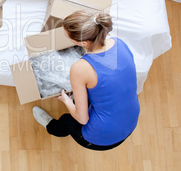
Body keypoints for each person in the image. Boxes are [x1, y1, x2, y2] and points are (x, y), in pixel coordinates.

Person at [32, 10, 140, 151]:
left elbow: (83, 120)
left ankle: (52, 127)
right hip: (130, 120)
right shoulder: (119, 43)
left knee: (68, 120)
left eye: (66, 35)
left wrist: (67, 101)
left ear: (82, 42)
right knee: (91, 93)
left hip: (102, 138)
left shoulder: (80, 68)